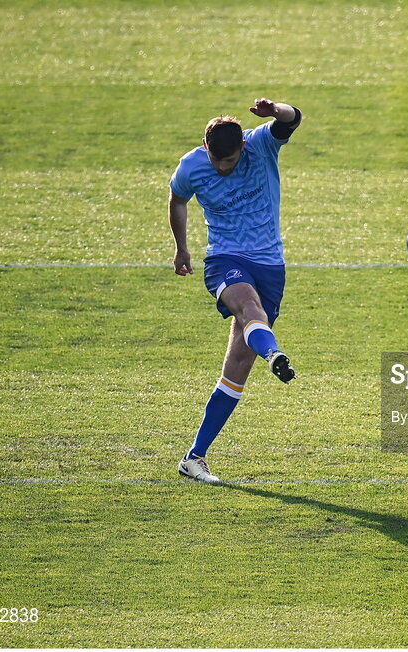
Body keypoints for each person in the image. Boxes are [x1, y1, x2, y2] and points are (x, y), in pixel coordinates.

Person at [168, 97, 303, 485]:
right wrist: (182, 246)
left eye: (227, 163)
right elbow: (177, 198)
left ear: (241, 147)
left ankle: (194, 457)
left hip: (270, 266)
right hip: (226, 259)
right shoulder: (193, 165)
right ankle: (274, 351)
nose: (220, 169)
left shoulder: (260, 143)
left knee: (237, 368)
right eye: (215, 161)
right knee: (247, 308)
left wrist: (275, 108)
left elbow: (294, 119)